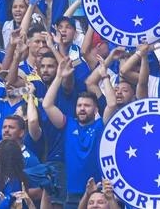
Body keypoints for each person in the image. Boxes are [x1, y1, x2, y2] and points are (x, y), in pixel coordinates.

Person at [42, 58, 116, 208]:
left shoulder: (101, 125)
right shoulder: (68, 124)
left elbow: (112, 104)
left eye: (87, 105)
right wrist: (59, 77)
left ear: (95, 110)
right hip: (72, 195)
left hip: (97, 194)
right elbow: (47, 104)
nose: (82, 108)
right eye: (79, 105)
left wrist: (105, 77)